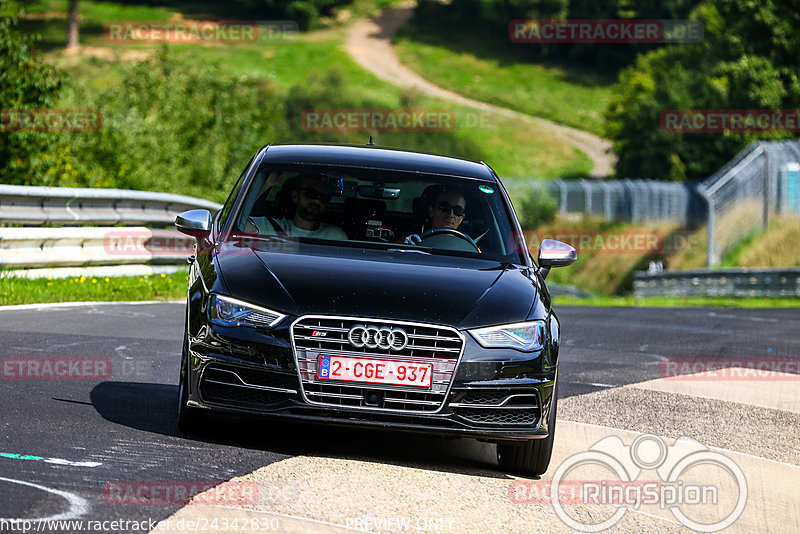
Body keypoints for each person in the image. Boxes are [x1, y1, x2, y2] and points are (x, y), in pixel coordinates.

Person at [247, 172, 348, 240]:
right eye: (311, 193)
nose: (317, 200)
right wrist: (267, 184)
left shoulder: (335, 235)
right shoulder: (268, 226)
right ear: (295, 196)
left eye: (324, 197)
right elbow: (237, 221)